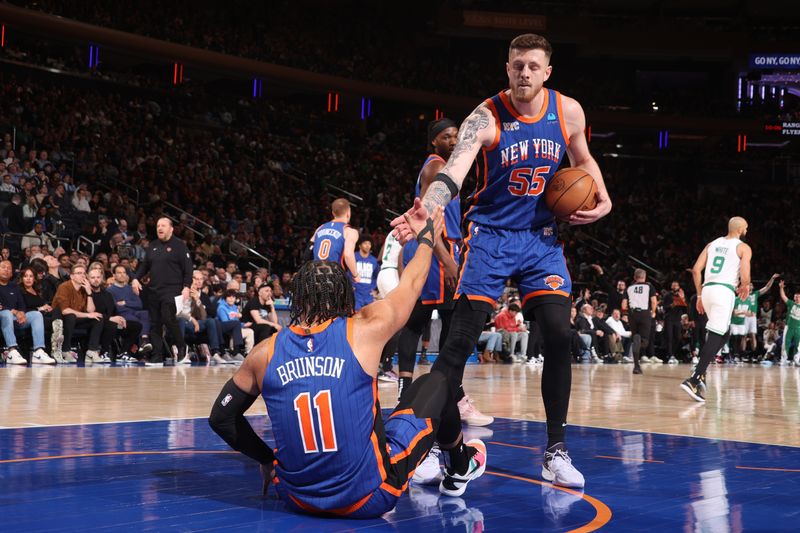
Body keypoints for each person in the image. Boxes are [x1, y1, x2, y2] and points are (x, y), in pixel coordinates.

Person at [391, 33, 611, 489]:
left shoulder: (568, 111)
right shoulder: (485, 117)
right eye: (517, 66)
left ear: (547, 71)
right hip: (489, 238)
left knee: (558, 333)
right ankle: (436, 448)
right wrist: (427, 207)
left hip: (541, 239)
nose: (524, 73)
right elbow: (454, 172)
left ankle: (555, 451)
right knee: (456, 347)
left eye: (533, 65)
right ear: (507, 69)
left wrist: (604, 198)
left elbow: (584, 159)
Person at [209, 207, 487, 518]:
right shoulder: (364, 330)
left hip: (296, 497)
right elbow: (412, 283)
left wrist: (265, 458)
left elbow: (221, 417)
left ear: (297, 299)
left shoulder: (264, 352)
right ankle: (461, 465)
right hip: (369, 497)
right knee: (437, 382)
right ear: (344, 295)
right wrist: (426, 239)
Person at [396, 118, 462, 404]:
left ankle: (407, 387)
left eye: (457, 136)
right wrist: (447, 259)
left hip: (433, 248)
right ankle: (446, 388)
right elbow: (425, 219)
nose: (454, 141)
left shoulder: (442, 168)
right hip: (436, 250)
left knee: (417, 321)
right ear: (434, 141)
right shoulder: (436, 167)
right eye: (447, 137)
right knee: (447, 318)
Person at [680, 217, 752, 402]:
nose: (747, 230)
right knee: (715, 335)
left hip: (707, 290)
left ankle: (701, 372)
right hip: (723, 291)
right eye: (746, 228)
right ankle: (694, 379)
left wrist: (700, 296)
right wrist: (746, 285)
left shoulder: (712, 244)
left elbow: (696, 270)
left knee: (724, 333)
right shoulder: (743, 247)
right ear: (741, 229)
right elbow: (745, 275)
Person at [132, 217, 193, 366]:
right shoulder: (152, 246)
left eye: (163, 225)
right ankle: (157, 356)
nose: (160, 228)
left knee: (167, 317)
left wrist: (186, 286)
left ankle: (182, 347)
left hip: (172, 290)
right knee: (155, 323)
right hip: (154, 290)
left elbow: (188, 269)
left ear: (171, 229)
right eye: (158, 225)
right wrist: (135, 279)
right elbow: (144, 266)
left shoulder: (179, 246)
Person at [51, 264, 108, 364]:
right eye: (79, 273)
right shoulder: (64, 287)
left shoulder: (84, 289)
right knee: (71, 316)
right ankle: (65, 350)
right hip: (62, 318)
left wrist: (89, 293)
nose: (82, 276)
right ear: (72, 276)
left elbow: (91, 311)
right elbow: (65, 310)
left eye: (84, 273)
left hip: (78, 319)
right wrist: (87, 315)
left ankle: (92, 351)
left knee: (97, 317)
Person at [0, 260, 53, 365]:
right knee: (6, 313)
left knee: (36, 314)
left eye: (9, 268)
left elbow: (21, 304)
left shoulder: (14, 286)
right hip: (3, 317)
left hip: (15, 318)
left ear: (12, 273)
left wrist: (22, 313)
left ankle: (38, 351)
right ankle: (12, 351)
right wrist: (14, 311)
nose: (6, 270)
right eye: (3, 267)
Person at [308, 198, 360, 282]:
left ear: (333, 213)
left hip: (316, 276)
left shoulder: (319, 228)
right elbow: (348, 254)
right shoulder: (349, 231)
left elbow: (307, 253)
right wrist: (355, 275)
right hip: (335, 277)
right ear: (348, 212)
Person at [623, 269, 657, 374]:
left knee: (635, 337)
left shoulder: (629, 288)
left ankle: (636, 367)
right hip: (644, 313)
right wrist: (653, 312)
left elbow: (623, 305)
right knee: (645, 341)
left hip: (632, 314)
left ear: (634, 277)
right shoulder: (649, 286)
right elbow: (653, 301)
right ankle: (639, 342)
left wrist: (627, 313)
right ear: (645, 276)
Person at [777, 280, 800, 366]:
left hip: (798, 328)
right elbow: (783, 296)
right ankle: (783, 359)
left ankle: (796, 360)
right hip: (789, 327)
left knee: (799, 345)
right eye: (796, 296)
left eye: (798, 297)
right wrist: (781, 288)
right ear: (794, 298)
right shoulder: (791, 303)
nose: (797, 298)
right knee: (785, 343)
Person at [353, 237, 379, 311]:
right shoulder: (353, 256)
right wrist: (350, 286)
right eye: (365, 243)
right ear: (360, 245)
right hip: (356, 292)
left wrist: (375, 289)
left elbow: (377, 275)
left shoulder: (374, 260)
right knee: (356, 316)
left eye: (369, 244)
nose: (367, 245)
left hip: (368, 294)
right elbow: (346, 271)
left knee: (369, 316)